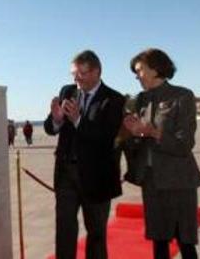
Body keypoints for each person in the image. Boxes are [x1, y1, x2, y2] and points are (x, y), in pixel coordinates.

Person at [44, 50, 125, 259]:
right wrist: (57, 120)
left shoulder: (114, 99)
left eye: (82, 73)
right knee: (64, 230)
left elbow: (106, 137)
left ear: (97, 71)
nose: (76, 78)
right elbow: (50, 127)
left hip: (97, 177)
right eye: (73, 73)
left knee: (96, 233)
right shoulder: (67, 91)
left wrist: (79, 120)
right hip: (66, 175)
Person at [121, 48, 200, 259]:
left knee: (186, 244)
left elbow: (184, 144)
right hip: (152, 181)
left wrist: (152, 131)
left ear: (156, 68)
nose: (137, 76)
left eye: (140, 70)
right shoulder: (140, 100)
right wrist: (133, 134)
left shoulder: (182, 96)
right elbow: (138, 141)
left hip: (178, 181)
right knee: (159, 243)